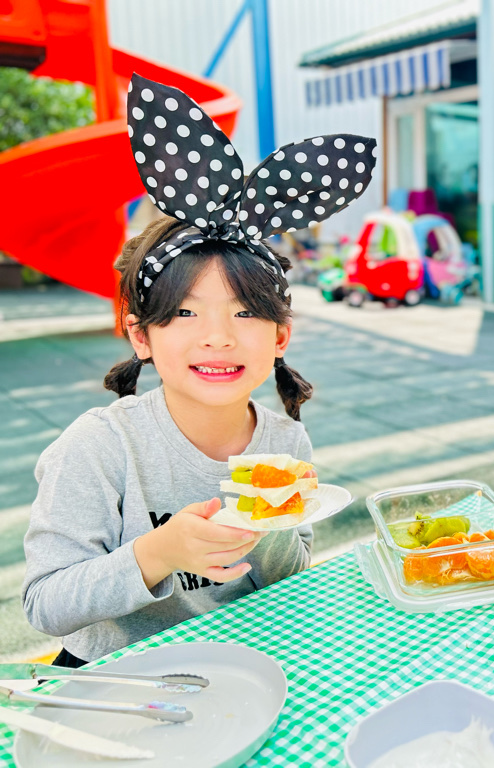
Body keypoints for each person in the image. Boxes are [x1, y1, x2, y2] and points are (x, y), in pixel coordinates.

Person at [21, 74, 377, 665]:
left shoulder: (285, 442)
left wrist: (273, 523)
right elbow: (44, 604)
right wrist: (158, 552)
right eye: (185, 313)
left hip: (238, 660)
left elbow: (290, 575)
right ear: (142, 336)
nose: (218, 336)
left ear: (280, 337)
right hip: (117, 672)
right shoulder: (101, 447)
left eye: (245, 312)